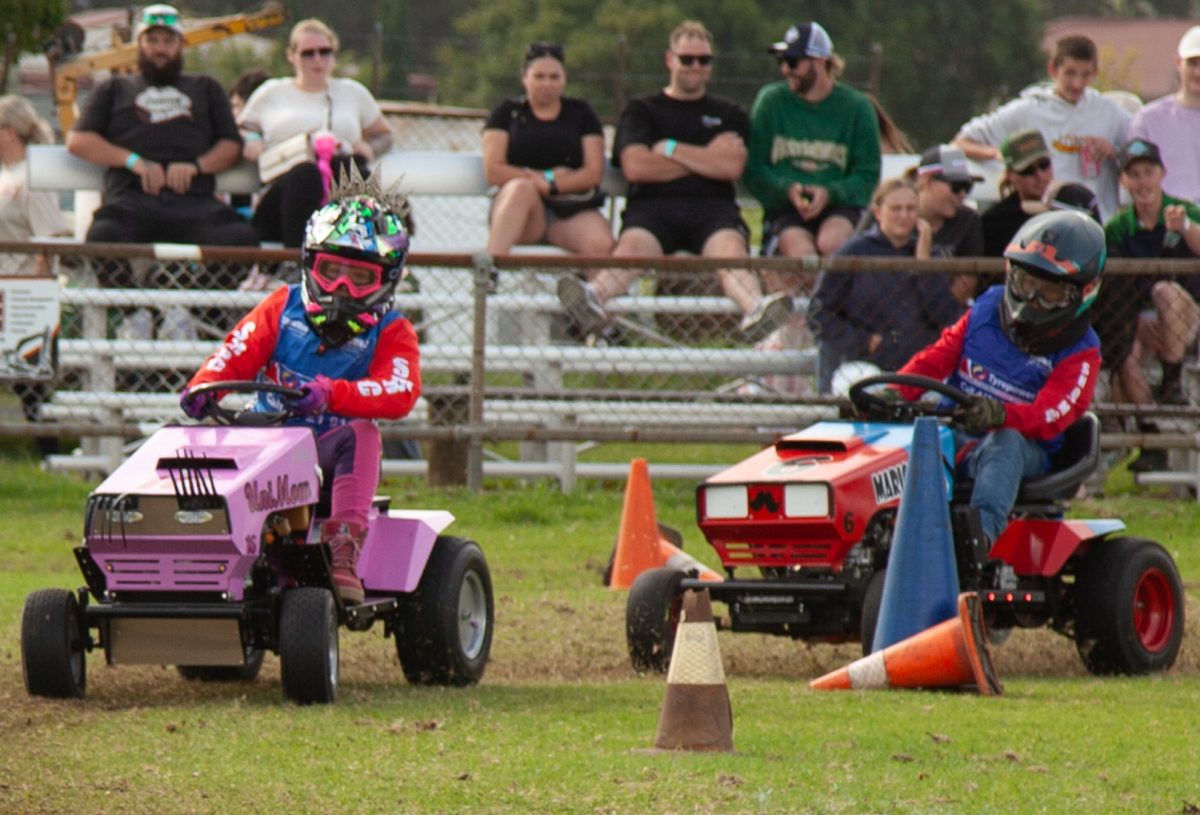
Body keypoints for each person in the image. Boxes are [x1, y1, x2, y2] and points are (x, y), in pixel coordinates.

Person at [179, 166, 420, 604]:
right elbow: (235, 351)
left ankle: (342, 548)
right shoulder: (281, 307)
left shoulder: (392, 331)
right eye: (332, 271)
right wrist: (205, 387)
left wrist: (333, 395)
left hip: (329, 453)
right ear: (310, 263)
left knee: (363, 434)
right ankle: (187, 544)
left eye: (359, 277)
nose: (342, 288)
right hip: (265, 441)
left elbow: (399, 392)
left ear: (387, 279)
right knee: (186, 438)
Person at [556, 20, 790, 343]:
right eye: (687, 59)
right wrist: (706, 158)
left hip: (713, 213)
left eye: (703, 60)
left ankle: (755, 308)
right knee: (632, 249)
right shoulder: (642, 110)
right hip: (653, 211)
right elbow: (636, 167)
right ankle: (593, 297)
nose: (695, 67)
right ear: (670, 60)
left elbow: (732, 167)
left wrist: (669, 149)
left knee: (731, 251)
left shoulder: (729, 113)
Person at [888, 210, 1106, 547]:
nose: (1031, 299)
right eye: (1027, 284)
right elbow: (937, 357)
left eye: (1049, 292)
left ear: (1082, 292)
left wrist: (1000, 415)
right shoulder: (988, 306)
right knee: (907, 434)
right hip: (955, 433)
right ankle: (881, 535)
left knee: (1005, 443)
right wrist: (895, 391)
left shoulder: (1082, 352)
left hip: (1025, 451)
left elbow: (1049, 416)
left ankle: (979, 539)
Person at [66, 4, 258, 270]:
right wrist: (133, 161)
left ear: (181, 44)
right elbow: (78, 140)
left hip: (195, 201)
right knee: (103, 235)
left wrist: (196, 166)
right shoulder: (113, 88)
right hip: (131, 199)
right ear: (139, 44)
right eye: (152, 40)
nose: (160, 49)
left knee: (241, 239)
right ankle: (128, 299)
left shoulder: (206, 87)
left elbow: (231, 144)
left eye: (168, 41)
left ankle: (198, 298)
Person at [238, 18, 395, 248]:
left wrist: (370, 147)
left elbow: (385, 134)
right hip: (283, 192)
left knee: (351, 170)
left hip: (338, 192)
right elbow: (240, 128)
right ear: (292, 56)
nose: (317, 59)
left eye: (324, 52)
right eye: (308, 53)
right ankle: (299, 259)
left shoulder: (353, 93)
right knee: (305, 174)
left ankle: (368, 251)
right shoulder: (271, 92)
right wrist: (252, 140)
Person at [808, 177, 964, 392]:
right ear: (877, 212)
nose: (904, 216)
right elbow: (818, 312)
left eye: (911, 209)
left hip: (918, 364)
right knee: (859, 388)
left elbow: (946, 316)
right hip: (864, 363)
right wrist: (864, 341)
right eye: (895, 209)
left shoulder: (930, 254)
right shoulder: (855, 251)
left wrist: (923, 264)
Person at [744, 21, 880, 267]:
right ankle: (814, 293)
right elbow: (754, 169)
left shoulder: (856, 107)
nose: (785, 69)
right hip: (787, 208)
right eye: (781, 61)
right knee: (801, 254)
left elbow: (867, 174)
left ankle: (829, 292)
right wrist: (787, 190)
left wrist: (830, 193)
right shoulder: (772, 101)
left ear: (819, 61)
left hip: (839, 206)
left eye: (792, 62)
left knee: (833, 243)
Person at [1100, 138, 1200, 470]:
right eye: (1134, 175)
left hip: (1186, 316)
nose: (1142, 182)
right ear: (1123, 181)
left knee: (1165, 292)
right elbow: (1114, 287)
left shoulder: (1183, 211)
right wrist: (1136, 321)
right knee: (1126, 354)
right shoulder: (1118, 227)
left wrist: (1184, 228)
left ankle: (1172, 378)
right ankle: (1151, 433)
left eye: (1148, 172)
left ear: (1162, 174)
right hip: (1142, 320)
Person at [953, 35, 1131, 220]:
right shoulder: (1028, 110)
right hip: (1044, 221)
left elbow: (1143, 156)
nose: (1077, 84)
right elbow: (961, 142)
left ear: (1095, 72)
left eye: (1085, 75)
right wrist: (999, 155)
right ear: (1053, 70)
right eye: (1070, 73)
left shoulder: (1109, 112)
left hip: (1097, 222)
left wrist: (1113, 152)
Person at [482, 42, 613, 258]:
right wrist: (546, 178)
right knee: (521, 188)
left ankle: (592, 282)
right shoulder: (507, 113)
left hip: (570, 208)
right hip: (521, 213)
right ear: (525, 78)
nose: (547, 84)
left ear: (564, 79)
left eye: (554, 77)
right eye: (539, 77)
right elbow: (494, 170)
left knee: (601, 243)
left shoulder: (582, 113)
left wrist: (553, 186)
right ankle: (490, 269)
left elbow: (593, 171)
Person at [0, 96, 69, 456]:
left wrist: (36, 290)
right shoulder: (5, 173)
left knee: (30, 382)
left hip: (22, 292)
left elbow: (50, 237)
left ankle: (49, 453)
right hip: (4, 287)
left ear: (9, 131)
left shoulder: (32, 176)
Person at [1129, 26, 1200, 204]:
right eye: (1192, 63)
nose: (1198, 72)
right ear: (1178, 62)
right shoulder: (1148, 119)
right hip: (1165, 215)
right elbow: (1133, 175)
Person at [981, 129, 1055, 257]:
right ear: (1011, 175)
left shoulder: (1071, 206)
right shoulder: (995, 221)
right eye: (1027, 170)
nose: (1040, 175)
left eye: (1044, 165)